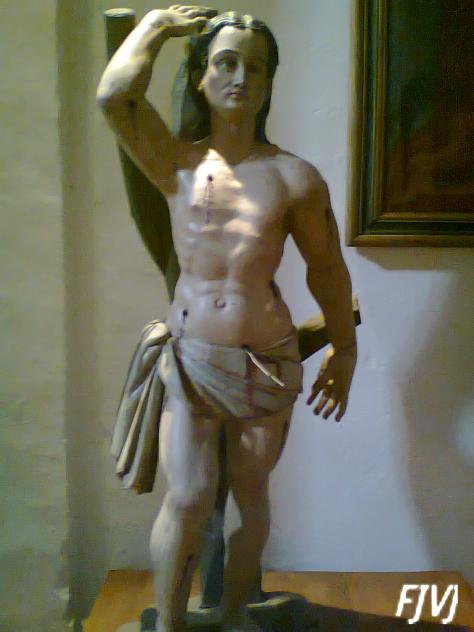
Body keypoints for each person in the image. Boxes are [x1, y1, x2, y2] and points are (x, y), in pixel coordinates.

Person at [97, 6, 357, 632]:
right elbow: (114, 96)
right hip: (191, 362)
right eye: (226, 63)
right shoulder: (175, 163)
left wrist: (344, 353)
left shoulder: (295, 177)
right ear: (201, 77)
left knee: (251, 494)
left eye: (255, 68)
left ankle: (237, 615)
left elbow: (328, 271)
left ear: (269, 83)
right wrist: (157, 26)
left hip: (266, 361)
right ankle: (170, 625)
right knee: (187, 497)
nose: (241, 77)